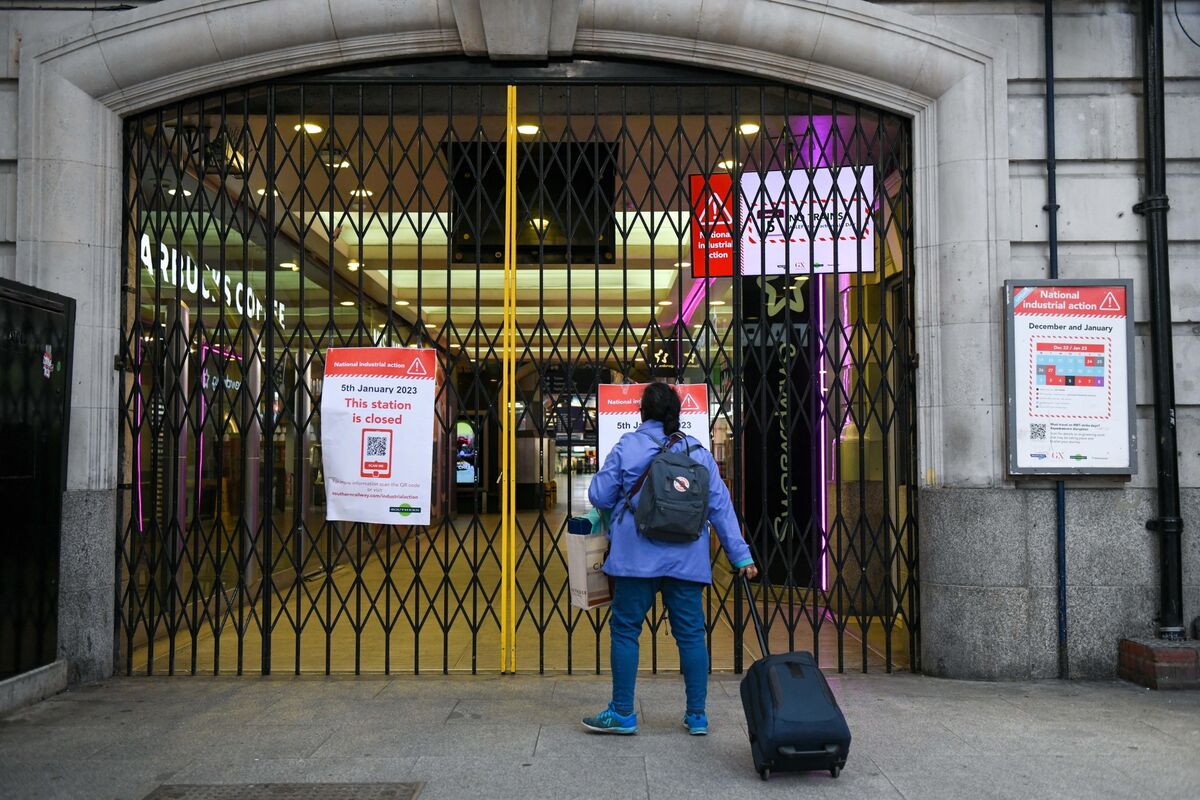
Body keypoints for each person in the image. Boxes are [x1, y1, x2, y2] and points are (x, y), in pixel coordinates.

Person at [582, 382, 757, 736]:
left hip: (635, 560)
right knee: (691, 635)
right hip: (686, 561)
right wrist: (741, 557)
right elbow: (720, 507)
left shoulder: (628, 446)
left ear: (642, 412)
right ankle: (696, 716)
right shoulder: (698, 452)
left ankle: (622, 713)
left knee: (626, 630)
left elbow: (599, 493)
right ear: (675, 414)